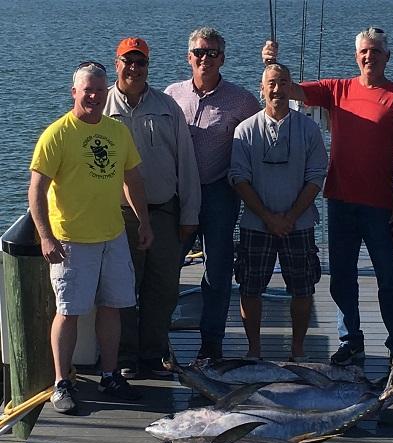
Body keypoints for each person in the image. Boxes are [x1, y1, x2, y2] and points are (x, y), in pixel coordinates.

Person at [263, 29, 393, 367]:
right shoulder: (337, 89)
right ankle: (351, 341)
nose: (369, 56)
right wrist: (273, 62)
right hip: (340, 201)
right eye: (364, 51)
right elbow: (290, 90)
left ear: (387, 57)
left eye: (376, 51)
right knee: (343, 278)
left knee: (389, 279)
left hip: (380, 206)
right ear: (356, 56)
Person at [28, 62, 153, 414]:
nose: (94, 97)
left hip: (112, 235)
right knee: (68, 311)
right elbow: (36, 190)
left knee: (112, 307)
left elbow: (132, 179)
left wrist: (144, 222)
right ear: (74, 93)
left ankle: (109, 375)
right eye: (87, 90)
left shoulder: (117, 131)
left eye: (99, 90)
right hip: (71, 240)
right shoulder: (57, 134)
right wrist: (46, 237)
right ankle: (61, 382)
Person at [104, 37, 201, 379]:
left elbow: (186, 163)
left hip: (163, 212)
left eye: (141, 62)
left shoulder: (167, 107)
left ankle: (155, 352)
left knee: (163, 288)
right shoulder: (102, 107)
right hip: (118, 216)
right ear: (116, 64)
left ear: (148, 66)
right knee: (122, 288)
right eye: (128, 61)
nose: (134, 68)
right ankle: (126, 355)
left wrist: (189, 214)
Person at [166, 27, 260, 360]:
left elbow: (261, 137)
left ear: (222, 58)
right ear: (188, 57)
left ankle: (211, 344)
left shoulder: (242, 100)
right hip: (178, 194)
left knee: (217, 271)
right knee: (167, 268)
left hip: (220, 192)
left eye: (212, 53)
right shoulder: (171, 95)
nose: (204, 58)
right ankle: (157, 341)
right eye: (199, 52)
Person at [228, 63, 327, 360]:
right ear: (261, 89)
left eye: (283, 82)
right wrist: (268, 217)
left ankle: (298, 350)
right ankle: (254, 350)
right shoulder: (245, 130)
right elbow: (238, 178)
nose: (277, 89)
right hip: (256, 224)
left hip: (299, 224)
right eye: (271, 83)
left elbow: (316, 176)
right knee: (250, 287)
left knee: (303, 288)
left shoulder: (309, 129)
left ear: (290, 88)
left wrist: (291, 217)